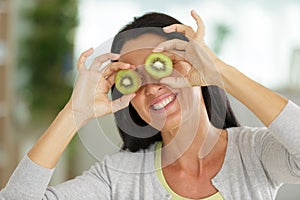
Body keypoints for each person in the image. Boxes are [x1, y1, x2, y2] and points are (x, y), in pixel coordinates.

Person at [0, 10, 300, 200]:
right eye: (133, 79)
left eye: (161, 65)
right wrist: (73, 114)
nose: (151, 86)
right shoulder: (118, 176)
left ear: (192, 63)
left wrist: (220, 73)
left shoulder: (254, 154)